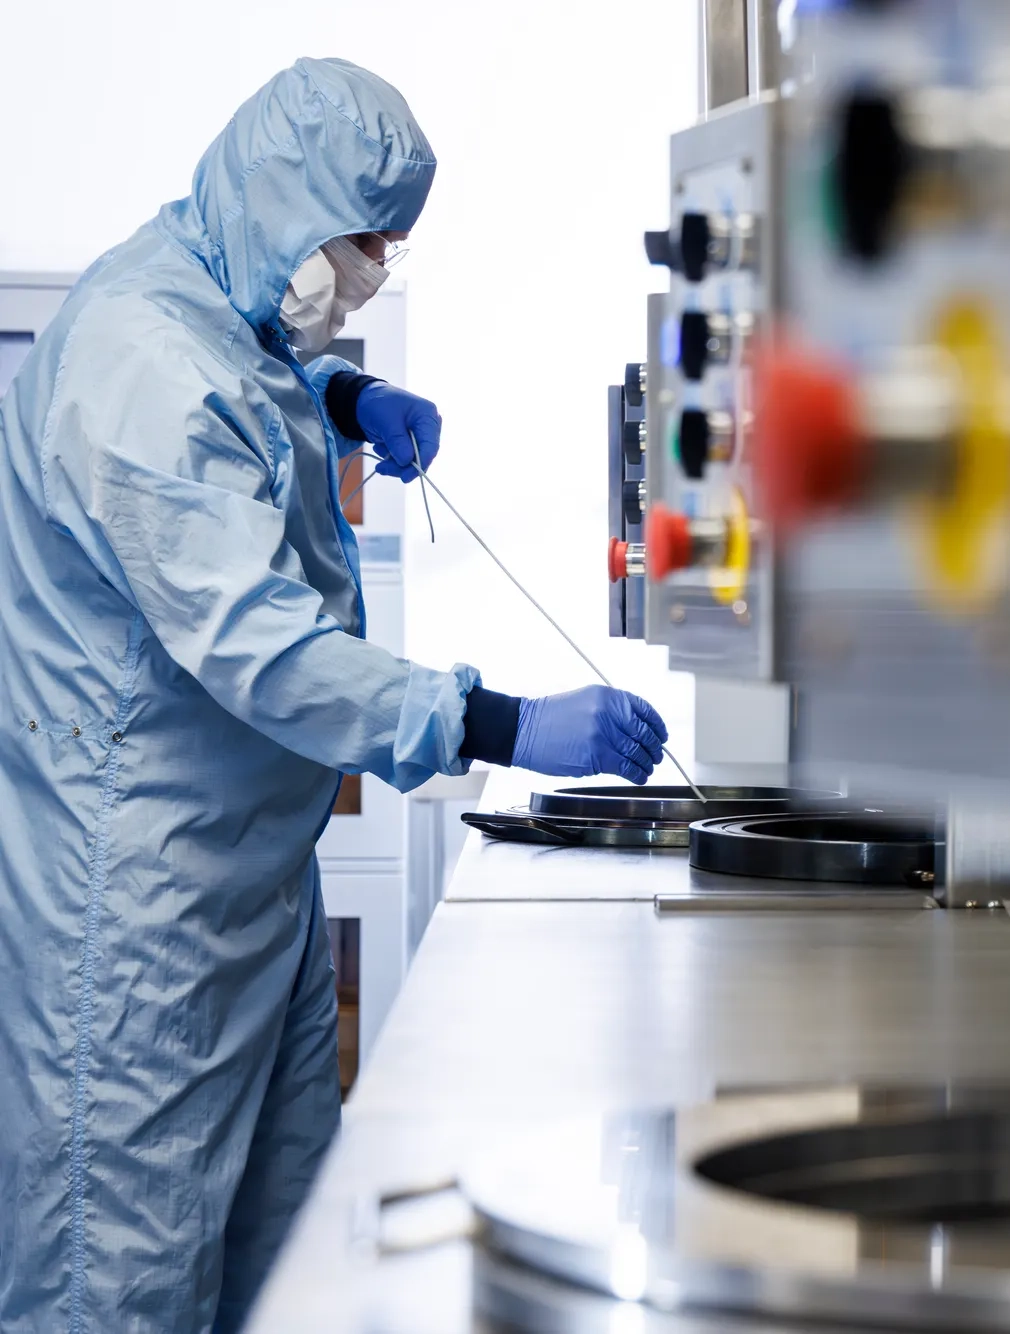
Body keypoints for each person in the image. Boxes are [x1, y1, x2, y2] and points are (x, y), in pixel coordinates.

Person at [0, 59, 666, 1332]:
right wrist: (503, 725)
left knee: (282, 1263)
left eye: (384, 251)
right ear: (280, 196)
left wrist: (343, 394)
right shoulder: (137, 355)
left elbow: (243, 388)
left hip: (246, 886)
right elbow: (261, 644)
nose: (366, 272)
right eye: (358, 242)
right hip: (137, 920)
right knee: (121, 1284)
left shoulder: (201, 302)